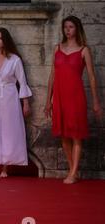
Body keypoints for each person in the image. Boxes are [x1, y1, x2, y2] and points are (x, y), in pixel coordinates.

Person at [44, 16, 102, 184]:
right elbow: (52, 76)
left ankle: (73, 172)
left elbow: (91, 77)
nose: (68, 30)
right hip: (60, 97)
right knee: (64, 135)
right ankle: (73, 170)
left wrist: (96, 102)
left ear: (77, 29)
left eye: (71, 27)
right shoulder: (57, 49)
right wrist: (48, 101)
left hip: (76, 97)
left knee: (76, 135)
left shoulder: (84, 50)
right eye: (65, 27)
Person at [0, 27, 32, 179]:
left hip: (9, 98)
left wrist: (26, 103)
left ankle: (5, 167)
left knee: (8, 131)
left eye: (0, 38)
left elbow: (22, 82)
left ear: (5, 40)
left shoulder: (14, 60)